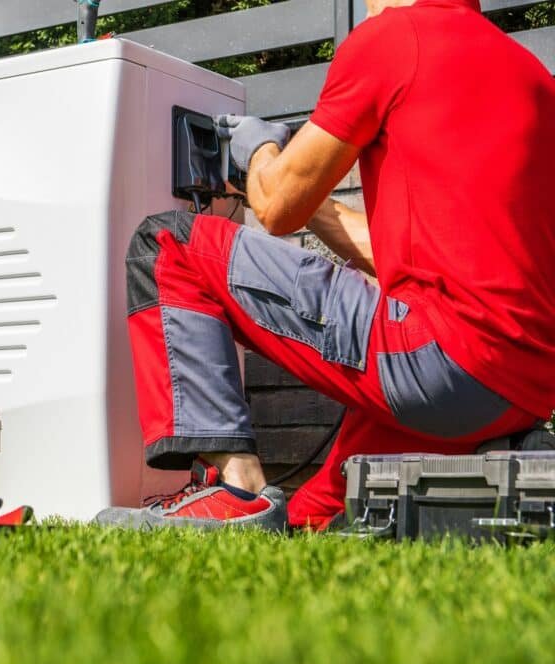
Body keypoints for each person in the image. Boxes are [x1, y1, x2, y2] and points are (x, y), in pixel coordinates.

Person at [97, 0, 555, 530]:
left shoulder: (392, 39)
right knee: (313, 518)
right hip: (518, 390)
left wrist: (259, 150)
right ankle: (500, 449)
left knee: (168, 244)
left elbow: (272, 207)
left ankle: (236, 489)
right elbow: (428, 252)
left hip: (436, 359)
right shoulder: (532, 77)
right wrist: (299, 185)